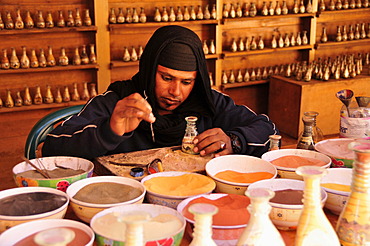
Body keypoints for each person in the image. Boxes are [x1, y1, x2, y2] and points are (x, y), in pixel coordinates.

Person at [42, 25, 278, 160]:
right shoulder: (117, 104)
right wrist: (109, 130)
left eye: (187, 82)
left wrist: (234, 141)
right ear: (148, 69)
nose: (175, 92)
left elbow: (268, 129)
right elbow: (51, 148)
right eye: (166, 78)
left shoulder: (209, 103)